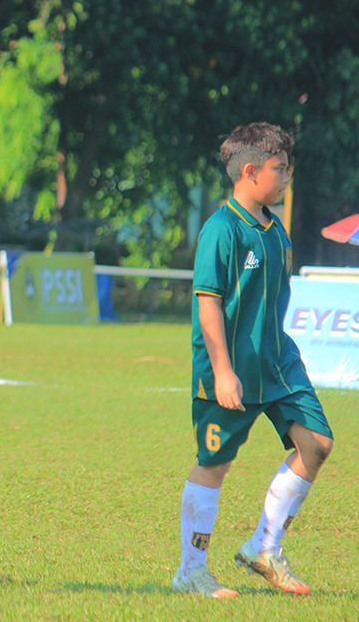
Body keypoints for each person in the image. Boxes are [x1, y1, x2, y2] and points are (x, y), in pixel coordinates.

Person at [172, 123, 334, 598]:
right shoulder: (220, 230)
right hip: (232, 369)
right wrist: (223, 370)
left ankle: (264, 547)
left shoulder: (273, 226)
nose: (286, 177)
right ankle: (191, 571)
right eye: (279, 169)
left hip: (279, 364)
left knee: (317, 444)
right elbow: (208, 305)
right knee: (214, 463)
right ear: (250, 171)